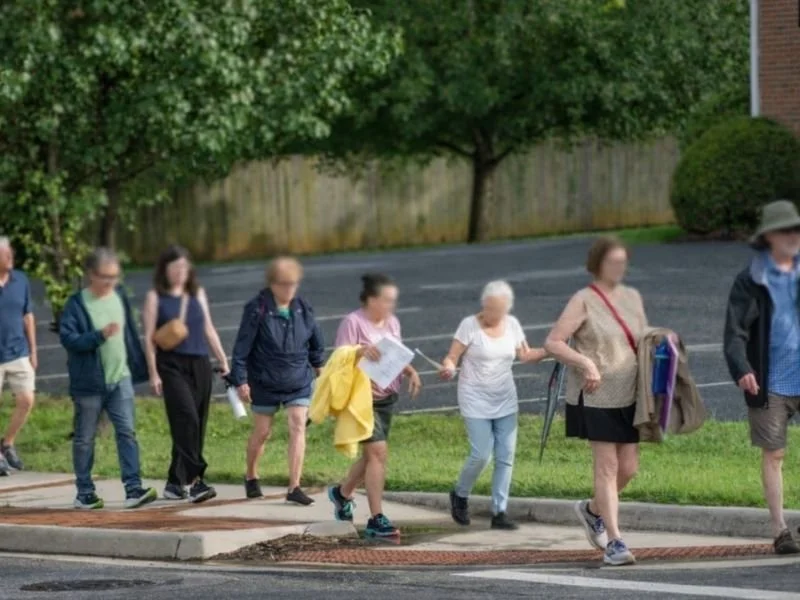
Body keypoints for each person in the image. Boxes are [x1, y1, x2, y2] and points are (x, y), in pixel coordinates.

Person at [544, 236, 647, 566]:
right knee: (608, 466)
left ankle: (591, 510)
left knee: (629, 468)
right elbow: (554, 343)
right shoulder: (583, 300)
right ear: (597, 265)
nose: (619, 267)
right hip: (596, 394)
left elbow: (641, 341)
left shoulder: (632, 297)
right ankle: (615, 542)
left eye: (622, 262)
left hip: (630, 394)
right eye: (612, 262)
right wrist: (586, 363)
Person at [724, 200, 800, 555]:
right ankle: (780, 530)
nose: (794, 236)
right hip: (769, 382)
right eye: (786, 230)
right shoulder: (751, 280)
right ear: (768, 236)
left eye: (796, 229)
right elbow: (735, 333)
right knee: (775, 454)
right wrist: (742, 370)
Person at [440, 280, 547, 530]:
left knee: (506, 456)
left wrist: (553, 351)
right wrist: (447, 367)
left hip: (505, 399)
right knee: (481, 454)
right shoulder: (469, 325)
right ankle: (460, 494)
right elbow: (452, 357)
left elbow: (526, 355)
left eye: (496, 310)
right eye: (487, 308)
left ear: (506, 309)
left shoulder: (512, 325)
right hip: (474, 398)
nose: (490, 314)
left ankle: (499, 512)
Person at [59, 247, 157, 510]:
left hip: (120, 378)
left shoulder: (119, 296)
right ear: (91, 274)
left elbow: (129, 336)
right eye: (106, 276)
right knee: (85, 438)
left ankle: (134, 489)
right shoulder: (76, 305)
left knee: (127, 432)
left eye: (115, 276)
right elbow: (68, 339)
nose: (111, 282)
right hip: (89, 384)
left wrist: (140, 366)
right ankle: (84, 492)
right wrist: (98, 336)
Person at [327, 273, 422, 538]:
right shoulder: (353, 322)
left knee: (372, 456)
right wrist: (359, 351)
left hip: (386, 396)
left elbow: (396, 353)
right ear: (371, 300)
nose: (391, 306)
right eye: (387, 300)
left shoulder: (392, 322)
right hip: (362, 399)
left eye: (393, 301)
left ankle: (341, 494)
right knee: (378, 453)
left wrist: (411, 372)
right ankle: (376, 518)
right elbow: (338, 358)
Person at [230, 256, 324, 505]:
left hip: (297, 378)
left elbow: (315, 340)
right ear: (272, 283)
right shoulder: (257, 308)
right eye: (283, 283)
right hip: (264, 378)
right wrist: (240, 379)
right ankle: (251, 475)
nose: (289, 289)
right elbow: (241, 347)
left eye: (293, 283)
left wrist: (319, 367)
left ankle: (294, 486)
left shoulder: (303, 307)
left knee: (297, 424)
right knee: (263, 432)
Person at [142, 245, 229, 504]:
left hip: (200, 363)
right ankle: (195, 482)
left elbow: (209, 329)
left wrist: (223, 360)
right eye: (174, 268)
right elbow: (148, 339)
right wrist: (153, 372)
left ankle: (174, 481)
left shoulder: (197, 294)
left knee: (196, 424)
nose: (180, 272)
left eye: (184, 267)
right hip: (171, 365)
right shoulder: (155, 297)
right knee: (186, 418)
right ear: (164, 271)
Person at [0, 236, 36, 476]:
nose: (11, 257)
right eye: (6, 254)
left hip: (18, 352)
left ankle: (7, 443)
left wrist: (34, 350)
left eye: (10, 253)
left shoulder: (21, 280)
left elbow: (28, 315)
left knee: (26, 400)